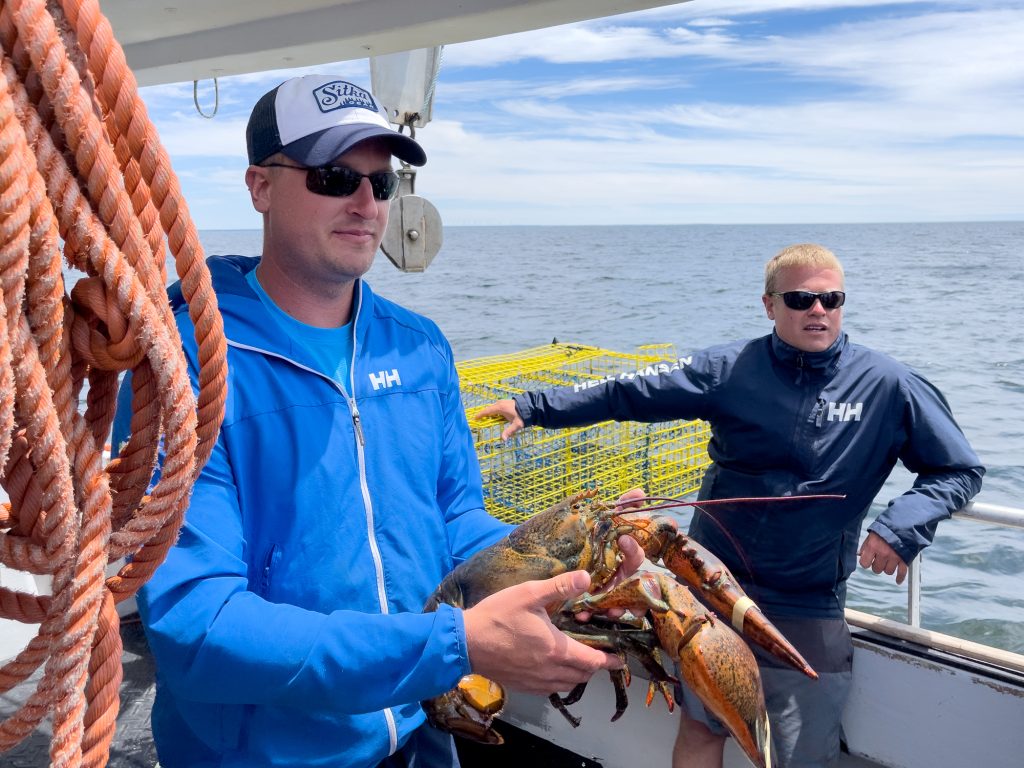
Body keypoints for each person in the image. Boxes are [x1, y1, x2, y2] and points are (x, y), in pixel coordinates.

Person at [127, 75, 644, 768]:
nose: (367, 203)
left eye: (384, 182)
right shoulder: (186, 363)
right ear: (259, 187)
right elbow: (198, 627)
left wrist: (568, 563)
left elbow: (455, 520)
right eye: (335, 177)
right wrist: (453, 647)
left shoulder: (420, 346)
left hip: (425, 738)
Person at [474, 243, 984, 768]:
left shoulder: (888, 385)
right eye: (801, 298)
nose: (818, 310)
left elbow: (959, 470)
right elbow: (628, 391)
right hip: (706, 596)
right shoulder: (729, 368)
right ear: (769, 305)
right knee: (701, 728)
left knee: (802, 752)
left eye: (832, 298)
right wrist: (533, 407)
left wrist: (900, 528)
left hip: (806, 602)